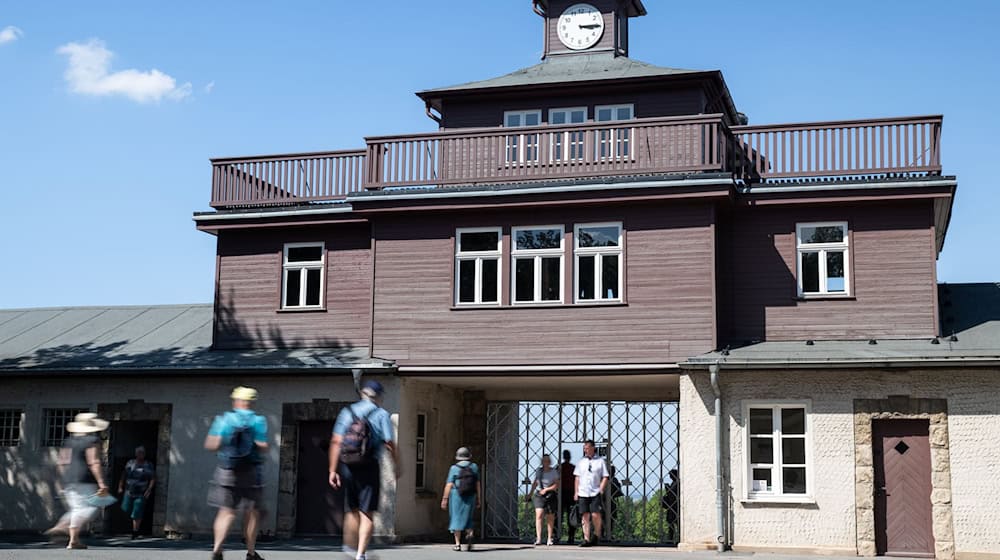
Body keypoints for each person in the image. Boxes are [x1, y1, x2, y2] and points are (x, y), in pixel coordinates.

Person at [329, 380, 400, 560]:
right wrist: (396, 464)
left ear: (362, 393)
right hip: (368, 466)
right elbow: (389, 443)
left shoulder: (347, 412)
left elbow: (336, 441)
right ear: (379, 397)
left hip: (348, 465)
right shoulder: (382, 414)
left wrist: (332, 470)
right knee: (367, 512)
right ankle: (360, 554)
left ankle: (349, 546)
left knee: (351, 509)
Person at [204, 386, 268, 560]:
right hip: (251, 473)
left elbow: (211, 444)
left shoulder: (224, 419)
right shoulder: (258, 420)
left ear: (236, 401)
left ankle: (217, 550)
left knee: (227, 512)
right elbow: (263, 446)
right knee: (252, 512)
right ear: (251, 402)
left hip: (226, 471)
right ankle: (251, 553)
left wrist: (225, 443)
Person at [47, 413, 111, 550]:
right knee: (91, 508)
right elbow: (94, 461)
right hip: (85, 479)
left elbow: (62, 461)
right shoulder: (92, 440)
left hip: (69, 479)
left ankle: (73, 540)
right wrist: (101, 482)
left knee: (77, 508)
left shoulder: (69, 441)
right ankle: (63, 526)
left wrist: (60, 481)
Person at [440, 447, 480, 552]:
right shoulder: (474, 467)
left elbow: (449, 484)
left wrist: (445, 498)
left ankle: (457, 544)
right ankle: (470, 534)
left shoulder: (454, 468)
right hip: (471, 495)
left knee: (456, 518)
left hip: (456, 495)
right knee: (468, 518)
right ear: (469, 456)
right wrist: (479, 498)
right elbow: (477, 484)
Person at [573, 439, 608, 547]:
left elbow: (605, 476)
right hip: (583, 492)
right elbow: (577, 477)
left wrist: (601, 488)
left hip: (595, 492)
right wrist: (576, 492)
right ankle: (586, 538)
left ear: (593, 448)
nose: (585, 450)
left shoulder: (600, 461)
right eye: (584, 448)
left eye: (587, 448)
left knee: (595, 514)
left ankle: (597, 534)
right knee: (585, 515)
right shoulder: (581, 462)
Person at [117, 445, 155, 539]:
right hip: (129, 491)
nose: (140, 455)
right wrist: (120, 486)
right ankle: (130, 526)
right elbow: (124, 474)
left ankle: (135, 531)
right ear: (136, 454)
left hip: (141, 492)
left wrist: (149, 489)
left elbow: (153, 477)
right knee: (125, 509)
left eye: (142, 453)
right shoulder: (130, 463)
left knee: (137, 512)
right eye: (138, 453)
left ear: (144, 454)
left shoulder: (148, 465)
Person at [525, 454, 558, 546]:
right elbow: (535, 483)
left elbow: (556, 484)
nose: (546, 462)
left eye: (547, 461)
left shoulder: (554, 472)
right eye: (544, 461)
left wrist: (547, 489)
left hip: (550, 494)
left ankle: (549, 538)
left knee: (550, 517)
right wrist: (530, 494)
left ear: (550, 462)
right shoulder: (539, 471)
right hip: (539, 494)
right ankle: (539, 538)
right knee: (539, 515)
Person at [559, 450, 576, 544]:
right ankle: (571, 536)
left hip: (562, 493)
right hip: (571, 494)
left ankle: (556, 534)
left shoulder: (560, 468)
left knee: (559, 515)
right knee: (571, 516)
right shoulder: (573, 468)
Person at [661, 469, 680, 542]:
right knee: (671, 524)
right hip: (672, 506)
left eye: (671, 475)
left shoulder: (677, 483)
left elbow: (672, 494)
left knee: (676, 524)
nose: (670, 477)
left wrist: (668, 488)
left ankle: (675, 539)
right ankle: (671, 539)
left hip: (674, 507)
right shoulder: (674, 482)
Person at [605, 465, 623, 541]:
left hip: (607, 501)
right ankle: (608, 534)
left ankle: (606, 534)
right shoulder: (614, 480)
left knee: (608, 519)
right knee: (610, 519)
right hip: (610, 501)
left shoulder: (605, 479)